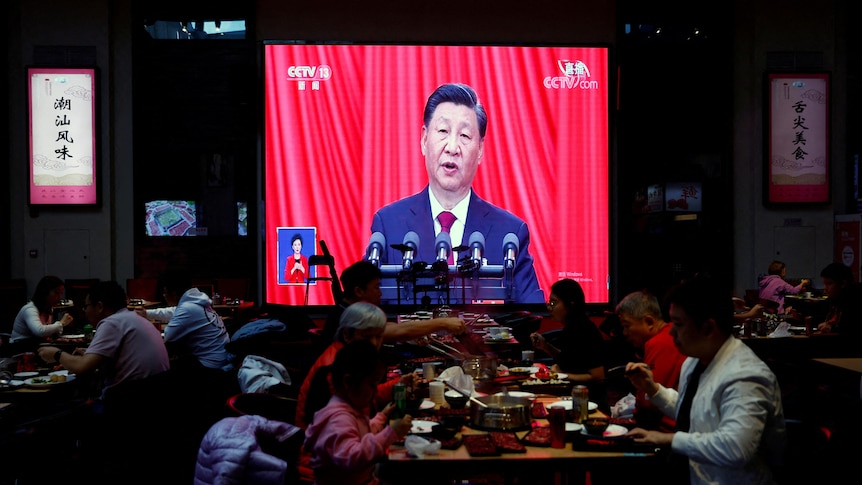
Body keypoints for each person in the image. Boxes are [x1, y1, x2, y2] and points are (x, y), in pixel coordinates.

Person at [370, 83, 543, 303]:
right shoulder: (388, 224)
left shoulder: (510, 233)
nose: (452, 147)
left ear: (480, 150)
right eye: (443, 131)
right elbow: (366, 316)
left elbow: (531, 316)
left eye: (464, 135)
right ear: (424, 140)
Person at [624, 276, 786, 484]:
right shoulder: (694, 361)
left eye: (679, 324)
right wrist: (654, 389)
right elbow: (697, 413)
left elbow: (735, 448)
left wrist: (668, 439)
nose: (671, 332)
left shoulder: (746, 375)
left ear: (708, 328)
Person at [303, 340, 412, 485]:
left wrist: (382, 417)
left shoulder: (348, 409)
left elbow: (361, 437)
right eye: (372, 384)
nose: (375, 391)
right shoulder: (338, 419)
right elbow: (352, 458)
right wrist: (390, 433)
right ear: (348, 382)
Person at [297, 302, 414, 430]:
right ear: (347, 334)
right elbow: (344, 431)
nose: (374, 343)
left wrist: (397, 385)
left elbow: (362, 394)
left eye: (379, 336)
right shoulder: (334, 367)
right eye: (367, 337)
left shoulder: (352, 356)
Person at [318, 260, 468, 346]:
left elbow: (392, 328)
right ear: (358, 291)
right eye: (376, 287)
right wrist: (443, 323)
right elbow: (395, 332)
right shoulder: (347, 316)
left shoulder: (347, 308)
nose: (380, 293)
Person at [135, 271, 233, 373]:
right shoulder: (196, 302)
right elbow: (174, 311)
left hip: (210, 365)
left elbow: (169, 336)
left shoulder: (187, 308)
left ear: (174, 294)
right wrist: (146, 313)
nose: (164, 295)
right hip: (220, 357)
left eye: (165, 292)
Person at [616, 290, 686, 432]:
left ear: (649, 322)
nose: (624, 333)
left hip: (663, 432)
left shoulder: (660, 342)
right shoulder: (661, 339)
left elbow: (649, 404)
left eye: (626, 325)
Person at [529, 278, 606, 407]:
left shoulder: (585, 329)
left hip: (587, 402)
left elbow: (598, 376)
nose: (549, 308)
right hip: (569, 394)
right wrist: (545, 346)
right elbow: (570, 360)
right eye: (549, 303)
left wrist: (561, 375)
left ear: (570, 305)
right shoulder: (571, 327)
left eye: (554, 303)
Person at [10, 275, 74, 345]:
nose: (59, 297)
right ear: (45, 292)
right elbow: (39, 331)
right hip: (20, 347)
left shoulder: (48, 308)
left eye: (61, 293)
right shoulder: (30, 309)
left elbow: (44, 334)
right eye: (56, 293)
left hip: (35, 345)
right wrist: (61, 324)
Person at [816, 262, 862, 343]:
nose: (825, 288)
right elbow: (817, 311)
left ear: (843, 283)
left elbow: (853, 329)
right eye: (824, 284)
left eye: (829, 284)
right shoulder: (833, 300)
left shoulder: (855, 302)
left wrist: (832, 328)